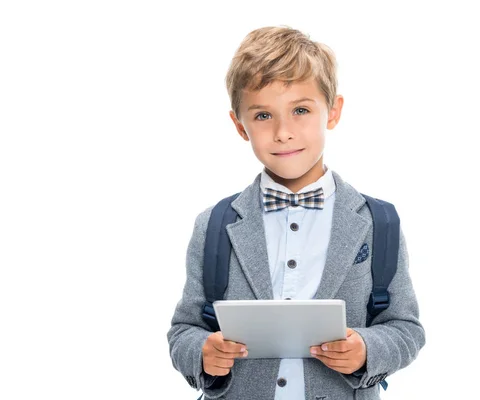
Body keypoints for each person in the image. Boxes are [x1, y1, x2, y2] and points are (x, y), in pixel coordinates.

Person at [167, 26, 425, 400]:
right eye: (262, 116)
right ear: (240, 125)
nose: (283, 132)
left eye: (301, 110)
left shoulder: (377, 222)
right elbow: (183, 331)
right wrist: (203, 353)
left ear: (332, 111)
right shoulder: (214, 224)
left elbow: (405, 328)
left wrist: (367, 348)